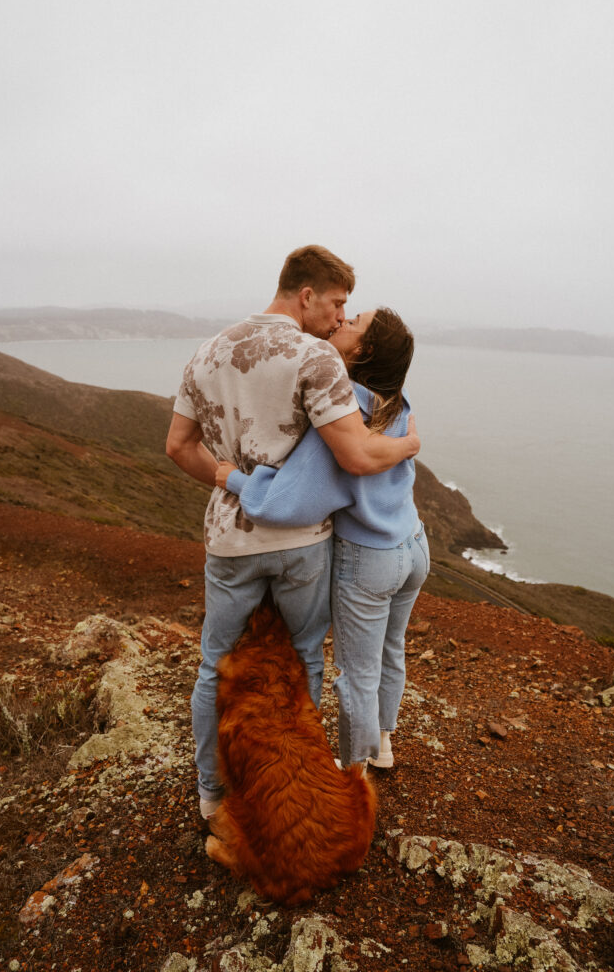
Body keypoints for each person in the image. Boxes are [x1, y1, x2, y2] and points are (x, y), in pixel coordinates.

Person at [166, 247, 421, 817]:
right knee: (304, 656)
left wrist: (227, 478)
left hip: (230, 540)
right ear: (306, 295)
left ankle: (211, 795)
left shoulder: (206, 353)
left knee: (214, 665)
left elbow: (177, 446)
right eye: (335, 304)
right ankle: (297, 780)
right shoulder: (318, 357)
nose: (337, 319)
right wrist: (409, 444)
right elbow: (354, 453)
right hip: (303, 541)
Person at [216, 307, 429, 770]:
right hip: (414, 545)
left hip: (370, 558)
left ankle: (356, 768)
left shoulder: (341, 411)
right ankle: (384, 743)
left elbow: (283, 504)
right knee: (391, 651)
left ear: (364, 349)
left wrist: (233, 478)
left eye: (354, 321)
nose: (342, 320)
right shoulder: (396, 396)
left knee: (356, 673)